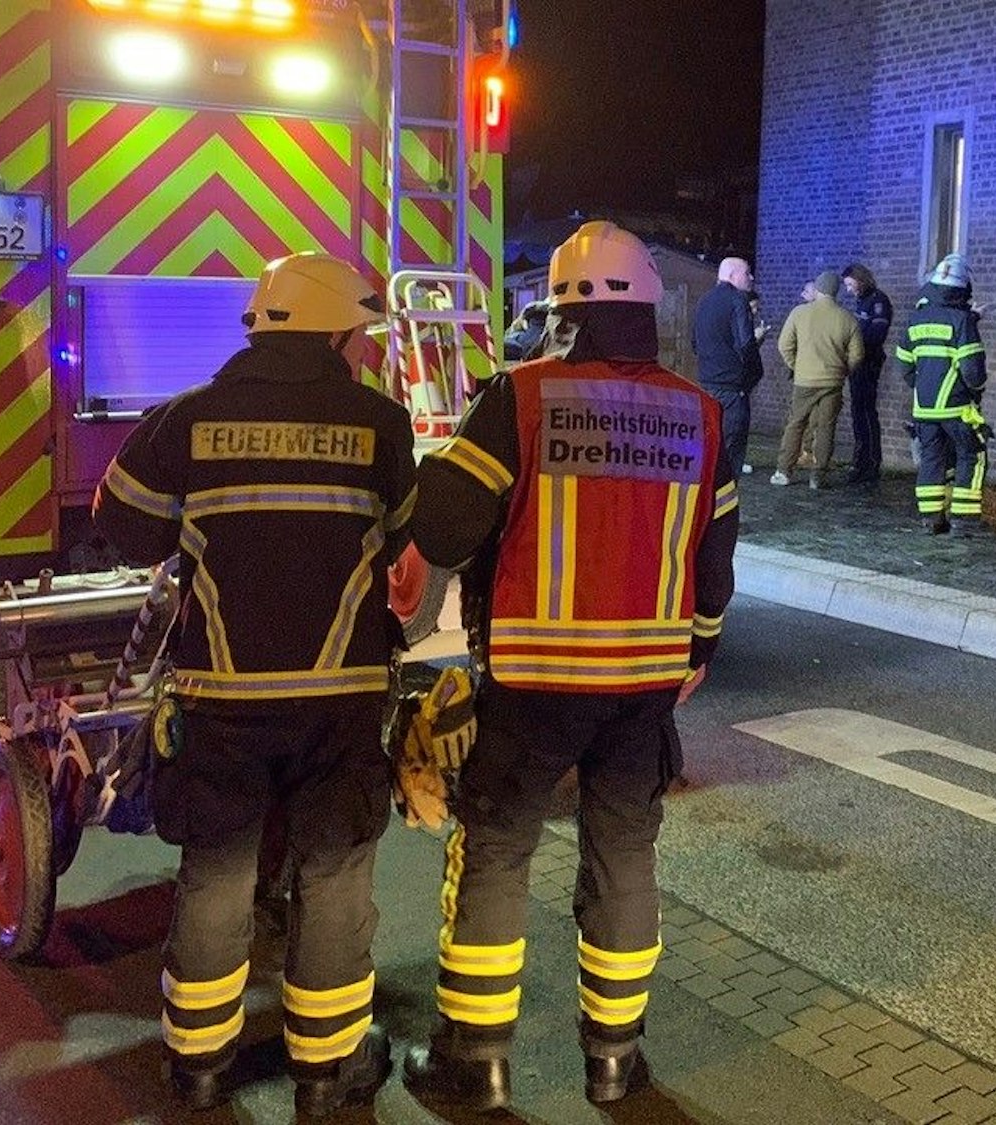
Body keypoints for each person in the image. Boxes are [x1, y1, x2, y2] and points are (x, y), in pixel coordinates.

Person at [403, 221, 739, 1111]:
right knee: (625, 853)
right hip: (643, 690)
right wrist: (697, 646)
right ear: (652, 310)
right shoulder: (699, 414)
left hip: (530, 683)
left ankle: (475, 1064)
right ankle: (616, 1060)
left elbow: (441, 527)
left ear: (557, 308)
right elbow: (716, 558)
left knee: (498, 852)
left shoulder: (521, 398)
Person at [92, 252, 413, 1117]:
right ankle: (326, 1069)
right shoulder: (381, 424)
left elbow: (119, 524)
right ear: (335, 332)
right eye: (359, 336)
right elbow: (400, 536)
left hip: (220, 695)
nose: (363, 352)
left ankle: (196, 1064)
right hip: (340, 696)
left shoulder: (187, 420)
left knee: (217, 867)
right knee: (335, 871)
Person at [892, 252, 989, 535]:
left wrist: (924, 387)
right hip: (957, 408)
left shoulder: (916, 319)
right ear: (962, 289)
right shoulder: (962, 322)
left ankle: (931, 519)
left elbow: (904, 364)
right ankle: (965, 521)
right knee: (972, 455)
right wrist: (977, 390)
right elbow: (973, 370)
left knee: (932, 459)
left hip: (924, 410)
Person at [773, 270, 863, 490]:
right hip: (833, 382)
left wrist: (797, 366)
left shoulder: (799, 313)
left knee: (796, 424)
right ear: (836, 291)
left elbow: (784, 344)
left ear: (819, 289)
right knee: (826, 428)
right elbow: (858, 354)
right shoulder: (847, 318)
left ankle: (784, 471)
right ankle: (818, 475)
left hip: (804, 381)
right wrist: (842, 371)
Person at [692, 256, 763, 479]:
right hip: (732, 389)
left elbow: (694, 343)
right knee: (731, 452)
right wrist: (754, 373)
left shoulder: (703, 301)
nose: (751, 277)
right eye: (747, 273)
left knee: (709, 449)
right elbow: (746, 344)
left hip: (706, 385)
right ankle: (725, 505)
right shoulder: (737, 301)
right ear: (732, 275)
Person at [840, 263, 895, 487]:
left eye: (850, 284)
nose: (849, 290)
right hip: (858, 363)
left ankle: (871, 463)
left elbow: (876, 335)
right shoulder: (863, 300)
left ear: (860, 280)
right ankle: (861, 461)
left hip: (868, 363)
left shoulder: (878, 301)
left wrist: (853, 343)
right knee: (858, 412)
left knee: (866, 412)